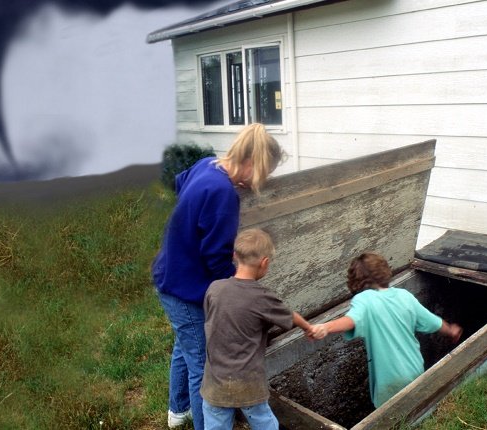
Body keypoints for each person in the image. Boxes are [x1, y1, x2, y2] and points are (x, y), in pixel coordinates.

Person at [152, 124, 286, 429]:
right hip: (186, 287)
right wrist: (240, 290)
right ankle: (203, 422)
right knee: (204, 365)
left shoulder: (206, 166)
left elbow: (177, 184)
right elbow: (217, 256)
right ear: (251, 162)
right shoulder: (223, 194)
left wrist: (185, 224)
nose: (256, 183)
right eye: (260, 175)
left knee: (184, 346)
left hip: (170, 273)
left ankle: (178, 412)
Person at [309, 252, 463, 408]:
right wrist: (451, 330)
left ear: (356, 282)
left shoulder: (365, 299)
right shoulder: (405, 296)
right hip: (414, 370)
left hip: (389, 380)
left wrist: (325, 327)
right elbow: (434, 322)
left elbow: (351, 320)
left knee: (390, 419)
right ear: (384, 272)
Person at [201, 228, 312, 430]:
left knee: (216, 425)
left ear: (234, 256)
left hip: (214, 382)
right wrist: (309, 328)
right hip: (248, 383)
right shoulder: (262, 297)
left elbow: (211, 318)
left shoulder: (214, 289)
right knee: (263, 421)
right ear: (265, 263)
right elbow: (289, 316)